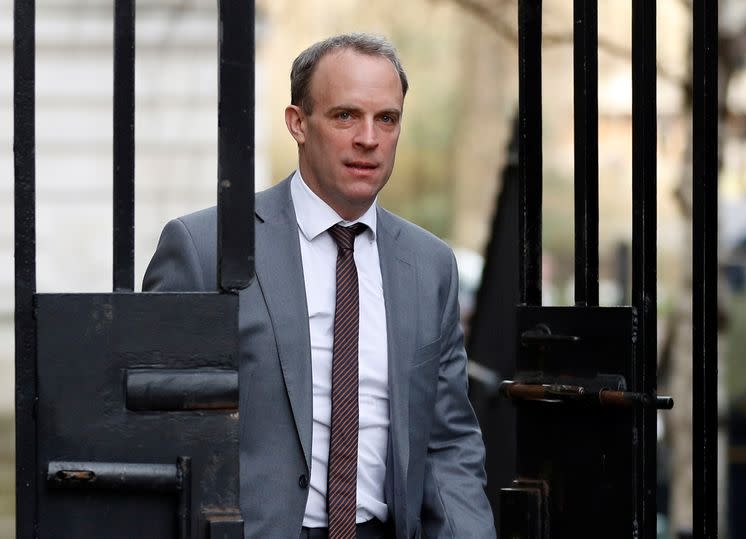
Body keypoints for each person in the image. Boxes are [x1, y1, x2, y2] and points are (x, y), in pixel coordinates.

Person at [144, 33, 495, 539]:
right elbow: (157, 433)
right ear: (298, 124)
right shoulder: (205, 248)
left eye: (387, 119)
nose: (369, 139)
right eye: (346, 116)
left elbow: (447, 444)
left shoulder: (430, 265)